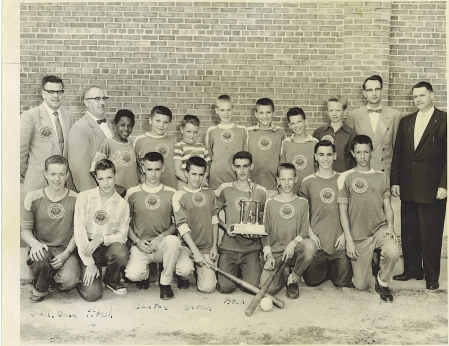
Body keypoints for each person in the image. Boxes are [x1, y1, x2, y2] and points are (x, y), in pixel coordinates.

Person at [391, 81, 447, 290]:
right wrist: (395, 180)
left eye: (422, 95)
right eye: (415, 97)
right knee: (409, 231)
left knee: (431, 234)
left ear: (431, 95)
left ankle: (432, 276)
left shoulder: (444, 120)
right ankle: (412, 269)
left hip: (434, 189)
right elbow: (398, 154)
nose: (418, 100)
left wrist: (445, 184)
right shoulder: (406, 122)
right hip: (408, 186)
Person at [338, 135, 399, 302]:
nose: (363, 156)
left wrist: (391, 226)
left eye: (366, 152)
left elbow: (387, 206)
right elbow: (342, 210)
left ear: (372, 152)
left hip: (379, 229)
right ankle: (370, 264)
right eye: (359, 152)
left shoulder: (381, 177)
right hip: (358, 235)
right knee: (361, 285)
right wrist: (349, 239)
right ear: (352, 153)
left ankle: (383, 282)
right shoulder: (347, 177)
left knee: (393, 251)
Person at [21, 155, 81, 303]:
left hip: (65, 249)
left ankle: (49, 278)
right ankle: (40, 286)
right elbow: (25, 229)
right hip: (42, 248)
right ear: (45, 174)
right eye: (53, 174)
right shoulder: (33, 197)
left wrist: (66, 254)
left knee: (69, 282)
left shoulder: (77, 199)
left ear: (67, 175)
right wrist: (34, 244)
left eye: (62, 174)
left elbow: (79, 232)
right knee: (42, 260)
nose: (57, 178)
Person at [124, 152, 180, 300]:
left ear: (163, 169)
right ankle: (145, 275)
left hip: (162, 245)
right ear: (143, 168)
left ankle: (165, 283)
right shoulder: (132, 193)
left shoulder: (172, 193)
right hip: (141, 245)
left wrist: (161, 237)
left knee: (173, 242)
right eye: (149, 169)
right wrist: (137, 241)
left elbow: (177, 223)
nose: (153, 174)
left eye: (157, 169)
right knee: (133, 274)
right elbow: (125, 224)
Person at [74, 159, 130, 301]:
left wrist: (101, 239)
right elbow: (79, 231)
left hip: (106, 247)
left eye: (109, 178)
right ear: (96, 178)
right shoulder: (84, 197)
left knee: (121, 251)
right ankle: (83, 275)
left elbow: (122, 236)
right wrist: (90, 263)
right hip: (86, 246)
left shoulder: (123, 204)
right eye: (101, 179)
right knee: (92, 295)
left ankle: (111, 280)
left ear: (115, 176)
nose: (106, 183)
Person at [300, 141, 352, 287]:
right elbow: (303, 214)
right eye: (321, 155)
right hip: (318, 242)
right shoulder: (307, 182)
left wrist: (345, 235)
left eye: (329, 154)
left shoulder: (343, 179)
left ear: (335, 156)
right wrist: (311, 234)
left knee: (342, 282)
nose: (325, 158)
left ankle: (333, 268)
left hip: (338, 242)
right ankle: (327, 268)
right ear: (315, 157)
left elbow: (351, 210)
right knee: (312, 281)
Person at [260, 163, 317, 299]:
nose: (287, 183)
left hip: (295, 251)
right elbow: (265, 232)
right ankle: (283, 272)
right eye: (283, 179)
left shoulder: (303, 202)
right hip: (277, 254)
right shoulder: (270, 202)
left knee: (310, 245)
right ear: (277, 180)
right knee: (268, 291)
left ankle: (293, 277)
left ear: (296, 179)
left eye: (290, 179)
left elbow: (304, 230)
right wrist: (268, 255)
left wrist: (293, 243)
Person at [215, 151, 266, 293]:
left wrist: (256, 234)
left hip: (251, 249)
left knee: (252, 288)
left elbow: (264, 221)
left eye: (245, 166)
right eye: (238, 166)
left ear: (252, 166)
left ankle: (246, 270)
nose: (242, 170)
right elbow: (211, 214)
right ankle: (231, 271)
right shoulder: (225, 189)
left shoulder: (261, 192)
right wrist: (225, 227)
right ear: (233, 167)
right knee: (225, 288)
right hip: (229, 247)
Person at [21, 75, 75, 194]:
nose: (56, 96)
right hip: (38, 184)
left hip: (64, 185)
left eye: (59, 91)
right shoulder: (30, 116)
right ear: (43, 93)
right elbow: (20, 154)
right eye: (51, 92)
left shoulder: (69, 117)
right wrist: (33, 174)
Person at [172, 157, 219, 293]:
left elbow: (214, 220)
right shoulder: (179, 195)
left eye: (201, 174)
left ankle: (200, 271)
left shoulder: (210, 193)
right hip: (187, 247)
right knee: (183, 269)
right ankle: (184, 277)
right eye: (193, 174)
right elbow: (182, 226)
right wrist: (195, 252)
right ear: (186, 173)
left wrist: (214, 245)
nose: (197, 178)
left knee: (208, 288)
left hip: (206, 247)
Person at [346, 75, 402, 177]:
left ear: (382, 90)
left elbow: (398, 152)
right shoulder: (354, 116)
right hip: (361, 174)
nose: (374, 93)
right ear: (364, 93)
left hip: (385, 174)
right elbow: (350, 151)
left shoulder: (395, 115)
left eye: (377, 89)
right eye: (369, 90)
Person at [68, 85, 114, 192]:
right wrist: (90, 196)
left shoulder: (109, 125)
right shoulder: (80, 128)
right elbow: (79, 170)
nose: (102, 102)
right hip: (96, 191)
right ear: (86, 102)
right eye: (97, 99)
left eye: (104, 98)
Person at [205, 95, 248, 190]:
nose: (225, 113)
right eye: (222, 110)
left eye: (228, 110)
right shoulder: (211, 131)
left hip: (236, 177)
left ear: (233, 110)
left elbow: (246, 156)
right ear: (216, 111)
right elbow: (209, 157)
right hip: (216, 178)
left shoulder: (242, 130)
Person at [90, 109, 139, 190]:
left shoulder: (134, 145)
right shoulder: (107, 144)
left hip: (132, 191)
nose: (126, 129)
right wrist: (113, 187)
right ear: (115, 126)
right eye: (122, 125)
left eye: (129, 126)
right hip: (115, 192)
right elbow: (94, 170)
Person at [247, 98, 286, 198]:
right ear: (255, 114)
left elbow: (283, 159)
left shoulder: (280, 132)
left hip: (273, 186)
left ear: (273, 113)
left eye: (268, 112)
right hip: (252, 185)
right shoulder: (248, 132)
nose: (265, 116)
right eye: (261, 113)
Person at [133, 106, 177, 189]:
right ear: (150, 120)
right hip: (147, 188)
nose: (161, 125)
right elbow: (135, 167)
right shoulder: (140, 140)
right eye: (158, 121)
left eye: (165, 122)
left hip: (170, 187)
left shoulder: (172, 141)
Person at [313, 95, 357, 172]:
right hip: (324, 177)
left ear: (344, 111)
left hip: (344, 177)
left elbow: (355, 161)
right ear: (327, 111)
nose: (334, 114)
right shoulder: (319, 132)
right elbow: (314, 159)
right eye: (331, 110)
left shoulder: (352, 134)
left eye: (338, 110)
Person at [280, 107, 318, 194]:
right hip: (291, 191)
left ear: (305, 122)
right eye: (293, 123)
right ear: (289, 125)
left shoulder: (314, 143)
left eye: (299, 122)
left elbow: (317, 168)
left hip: (310, 190)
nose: (296, 126)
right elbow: (282, 168)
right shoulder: (286, 143)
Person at [174, 115, 211, 190]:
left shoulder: (203, 148)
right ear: (181, 130)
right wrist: (191, 183)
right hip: (184, 181)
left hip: (200, 180)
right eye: (188, 132)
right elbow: (177, 170)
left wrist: (203, 178)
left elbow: (207, 168)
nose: (192, 135)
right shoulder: (179, 146)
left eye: (195, 132)